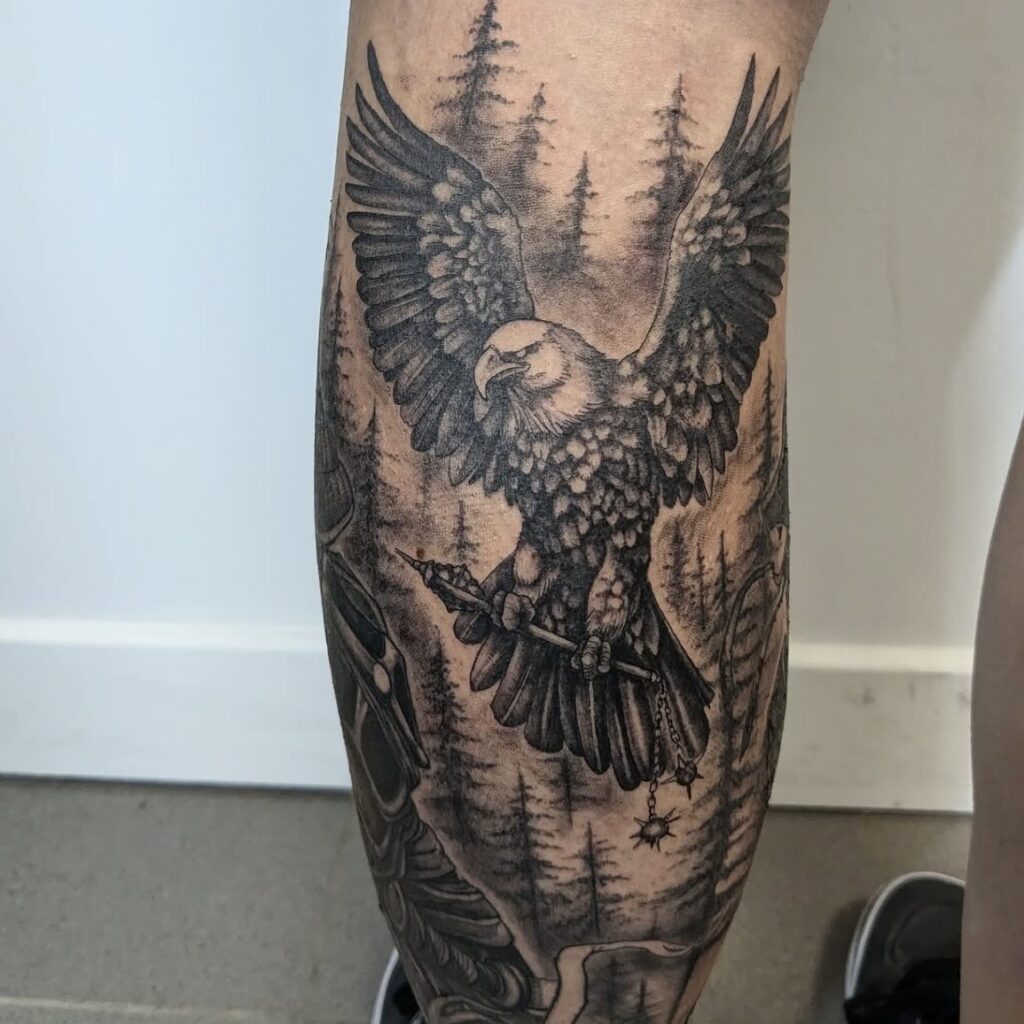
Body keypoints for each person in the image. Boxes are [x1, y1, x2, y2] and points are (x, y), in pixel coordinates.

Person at [314, 2, 1012, 1021]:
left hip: (613, 599)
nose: (495, 374)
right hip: (543, 584)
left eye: (519, 357)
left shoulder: (642, 400)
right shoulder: (507, 399)